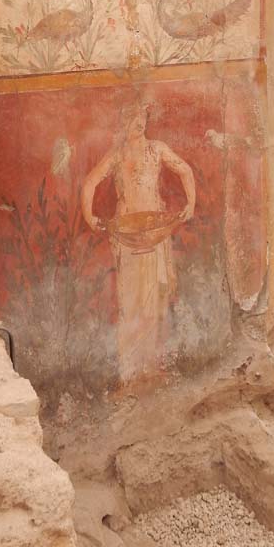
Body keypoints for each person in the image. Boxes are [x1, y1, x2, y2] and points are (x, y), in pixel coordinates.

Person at [81, 101, 195, 382]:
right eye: (132, 117)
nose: (139, 122)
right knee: (130, 303)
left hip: (155, 232)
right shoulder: (118, 155)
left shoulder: (157, 149)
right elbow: (90, 182)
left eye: (142, 116)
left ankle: (155, 367)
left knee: (155, 301)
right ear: (123, 123)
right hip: (128, 236)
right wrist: (88, 216)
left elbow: (185, 170)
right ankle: (130, 373)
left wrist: (191, 203)